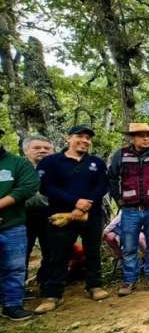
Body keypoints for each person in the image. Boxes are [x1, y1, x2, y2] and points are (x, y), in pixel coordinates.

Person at [34, 125, 110, 313]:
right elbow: (46, 187)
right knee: (57, 254)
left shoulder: (96, 162)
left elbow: (102, 186)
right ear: (68, 138)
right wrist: (75, 202)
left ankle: (94, 285)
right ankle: (53, 294)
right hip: (61, 215)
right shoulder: (50, 162)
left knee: (93, 250)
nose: (85, 141)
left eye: (87, 138)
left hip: (92, 214)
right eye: (80, 136)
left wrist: (87, 203)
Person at [107, 123, 149, 296]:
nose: (146, 138)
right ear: (132, 138)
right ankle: (129, 280)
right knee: (129, 245)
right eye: (141, 135)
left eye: (148, 135)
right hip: (130, 209)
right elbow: (111, 178)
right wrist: (119, 200)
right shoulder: (121, 154)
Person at [0, 128, 41, 320]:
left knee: (15, 267)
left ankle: (12, 305)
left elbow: (27, 187)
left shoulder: (17, 164)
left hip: (12, 224)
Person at [21, 136, 54, 286]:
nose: (42, 151)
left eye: (47, 148)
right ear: (26, 150)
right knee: (21, 252)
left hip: (50, 214)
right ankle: (17, 287)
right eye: (37, 148)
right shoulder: (18, 168)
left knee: (51, 250)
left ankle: (45, 282)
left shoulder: (57, 168)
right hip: (22, 215)